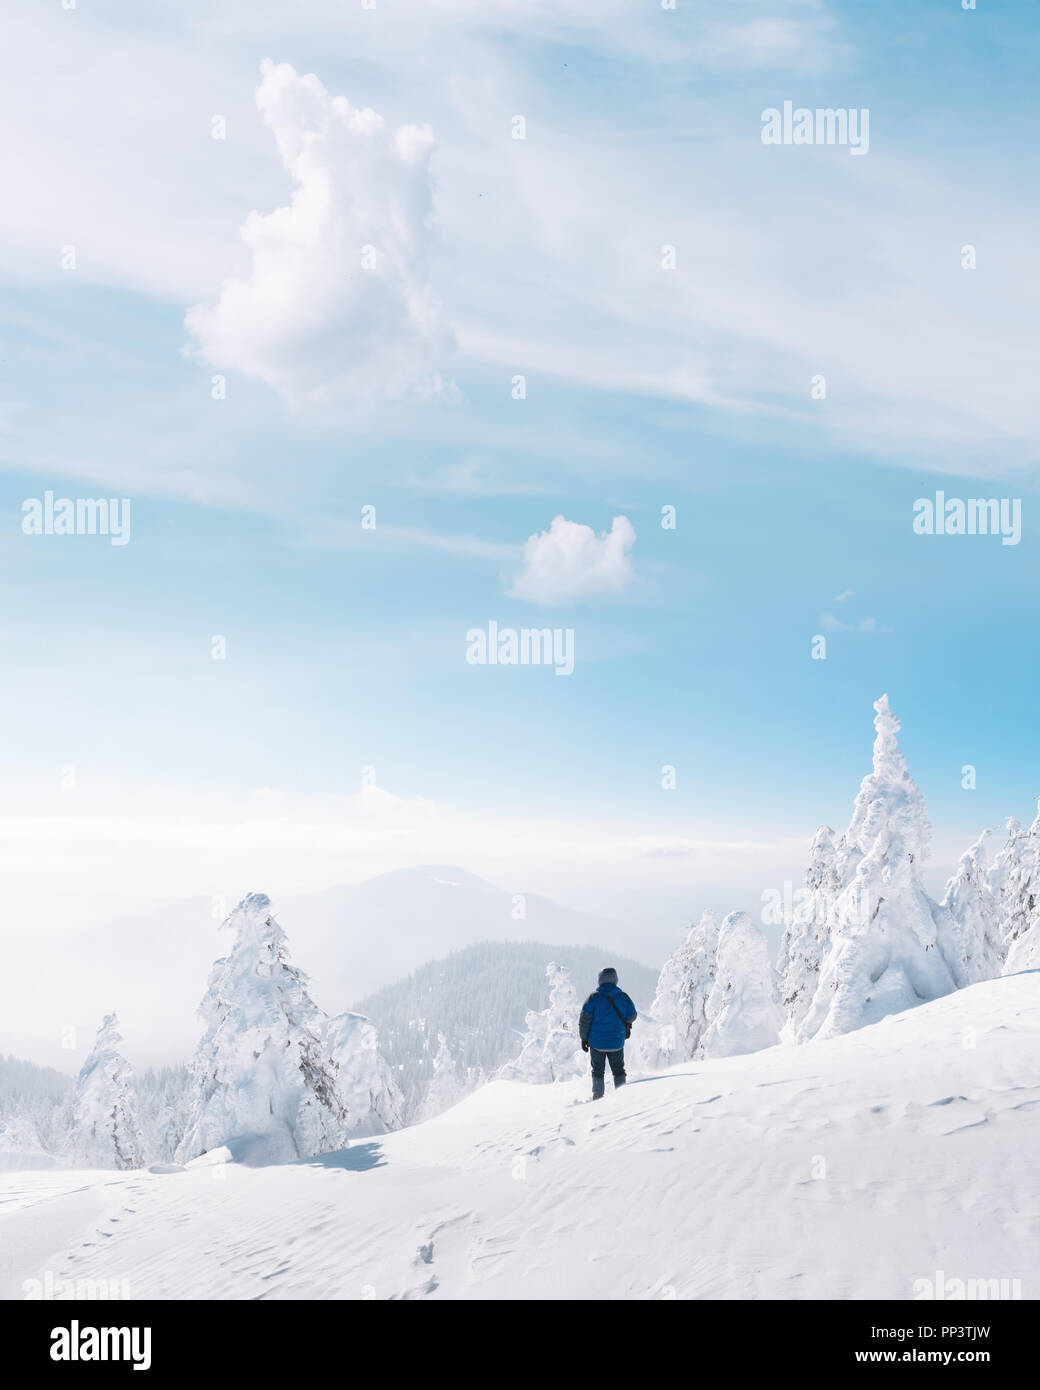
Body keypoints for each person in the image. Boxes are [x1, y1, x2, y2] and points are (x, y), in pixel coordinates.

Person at [578, 967, 638, 1100]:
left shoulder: (593, 998)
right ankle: (621, 1096)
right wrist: (623, 1024)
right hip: (616, 1041)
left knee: (598, 1072)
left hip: (596, 1043)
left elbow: (584, 1021)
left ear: (600, 980)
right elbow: (633, 1015)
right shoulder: (623, 997)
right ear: (616, 979)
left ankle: (598, 1097)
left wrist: (584, 1039)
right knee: (618, 1070)